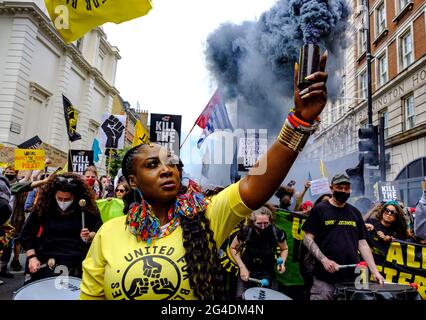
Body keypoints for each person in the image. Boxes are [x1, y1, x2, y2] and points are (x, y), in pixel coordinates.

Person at [80, 52, 329, 300]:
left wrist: (299, 121)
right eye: (152, 164)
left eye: (172, 163)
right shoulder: (108, 234)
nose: (167, 169)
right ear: (132, 180)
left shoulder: (206, 217)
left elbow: (255, 184)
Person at [302, 173, 385, 300]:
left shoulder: (354, 212)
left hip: (354, 276)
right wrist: (324, 260)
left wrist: (375, 272)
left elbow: (362, 244)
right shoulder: (319, 209)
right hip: (325, 277)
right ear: (331, 188)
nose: (343, 191)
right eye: (339, 188)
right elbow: (307, 239)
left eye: (346, 188)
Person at [20, 173, 102, 282]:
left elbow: (100, 231)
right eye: (59, 198)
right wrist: (32, 258)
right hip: (47, 262)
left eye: (67, 199)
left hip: (77, 264)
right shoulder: (44, 206)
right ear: (53, 194)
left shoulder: (87, 208)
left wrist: (90, 235)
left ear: (76, 196)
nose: (62, 202)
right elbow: (26, 234)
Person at [230, 205, 288, 299]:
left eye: (266, 223)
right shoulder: (246, 231)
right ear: (253, 221)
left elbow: (284, 249)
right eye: (259, 223)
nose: (263, 227)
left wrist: (282, 263)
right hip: (248, 270)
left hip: (267, 271)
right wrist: (242, 267)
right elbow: (233, 248)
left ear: (270, 220)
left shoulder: (277, 232)